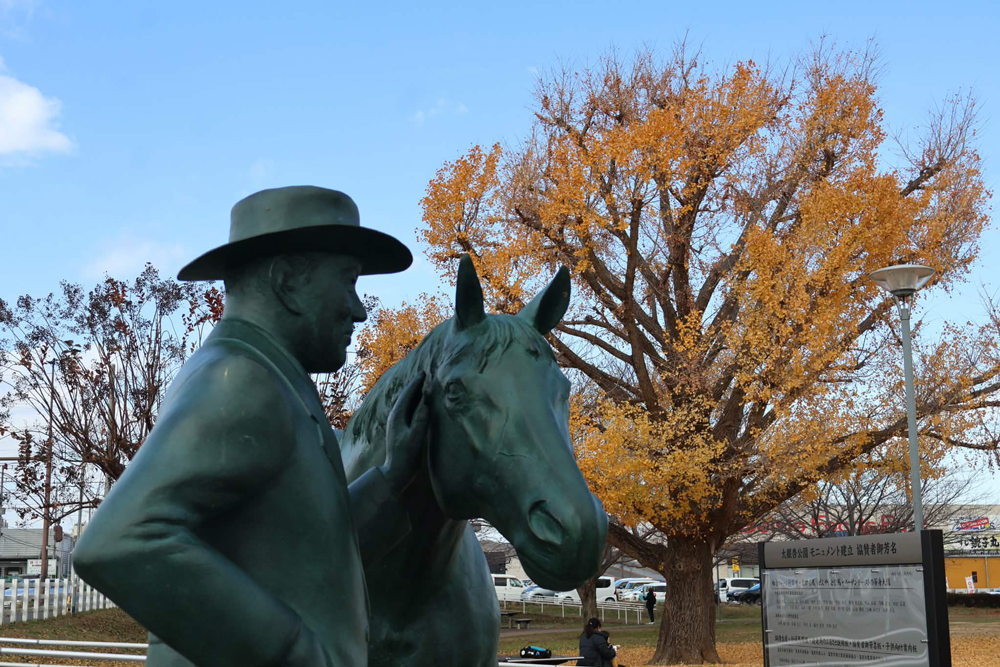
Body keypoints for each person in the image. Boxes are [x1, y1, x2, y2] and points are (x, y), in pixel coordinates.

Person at [74, 186, 429, 667]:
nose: (359, 309)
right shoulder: (241, 380)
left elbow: (311, 562)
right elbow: (117, 544)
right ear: (287, 282)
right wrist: (296, 654)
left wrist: (392, 478)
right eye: (348, 281)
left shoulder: (273, 380)